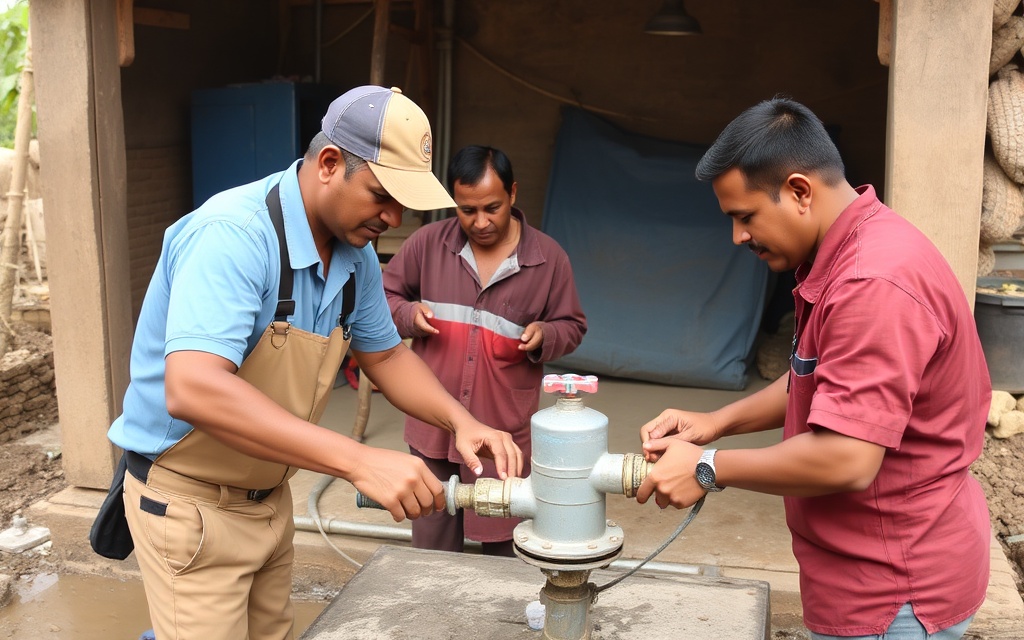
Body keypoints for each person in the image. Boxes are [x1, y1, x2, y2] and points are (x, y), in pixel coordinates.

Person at [106, 86, 523, 639]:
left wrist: (461, 420)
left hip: (267, 498)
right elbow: (195, 388)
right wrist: (358, 461)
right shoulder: (233, 237)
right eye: (381, 195)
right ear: (329, 163)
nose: (393, 217)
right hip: (193, 505)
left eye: (405, 203)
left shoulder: (355, 255)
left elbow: (388, 355)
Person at [636, 97, 991, 640]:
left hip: (894, 592)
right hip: (867, 573)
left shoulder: (871, 283)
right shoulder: (846, 249)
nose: (737, 237)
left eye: (745, 216)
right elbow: (816, 374)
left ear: (800, 191)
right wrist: (717, 422)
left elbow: (846, 459)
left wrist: (707, 466)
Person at [382, 145, 587, 556]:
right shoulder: (427, 244)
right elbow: (384, 296)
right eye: (466, 210)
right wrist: (406, 314)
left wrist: (546, 335)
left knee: (505, 538)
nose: (480, 222)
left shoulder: (549, 260)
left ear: (512, 193)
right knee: (432, 539)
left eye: (492, 207)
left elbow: (573, 325)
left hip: (502, 431)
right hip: (433, 423)